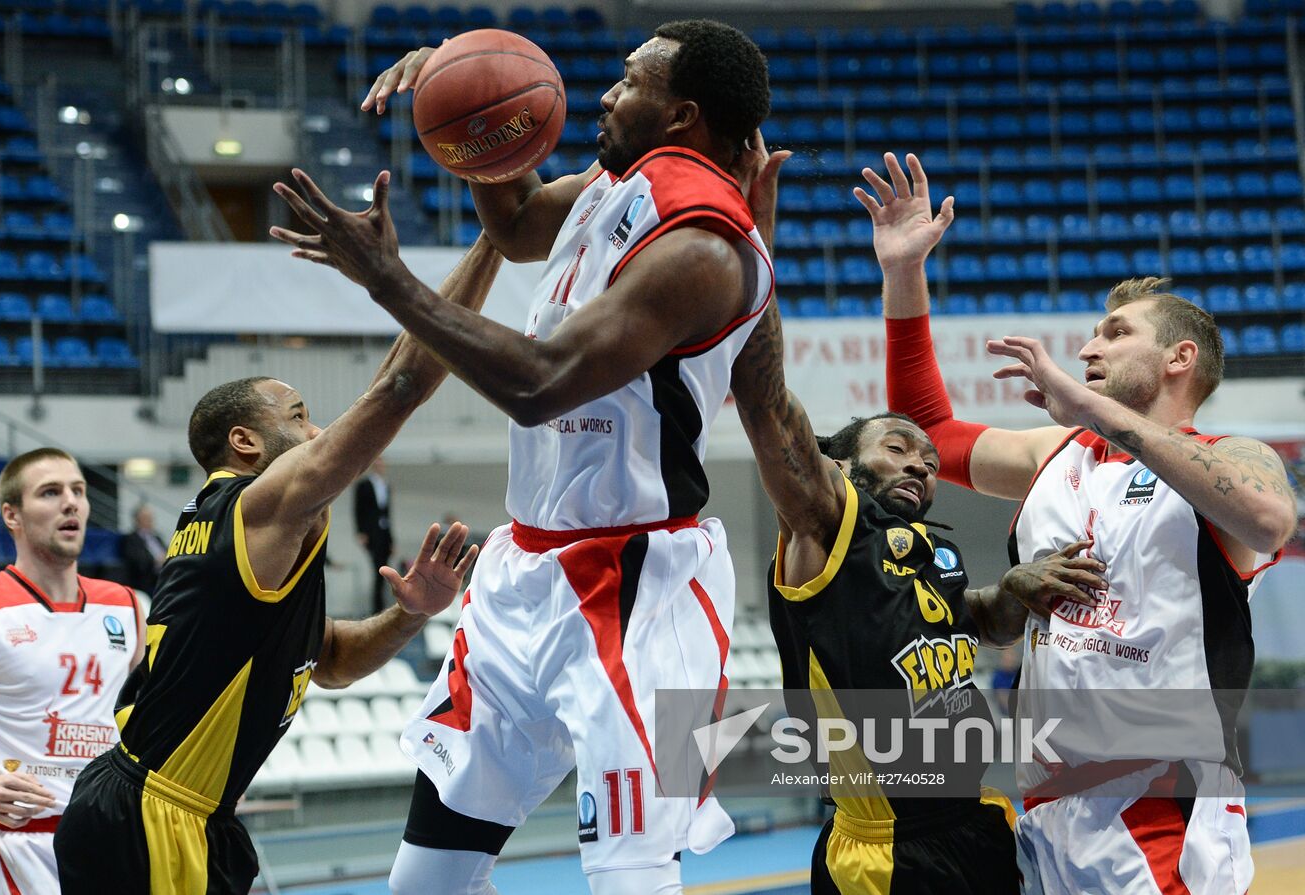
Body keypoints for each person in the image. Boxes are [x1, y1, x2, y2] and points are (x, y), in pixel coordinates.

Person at [273, 20, 773, 895]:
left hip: (640, 587)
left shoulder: (703, 243)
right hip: (525, 569)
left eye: (629, 82)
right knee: (423, 884)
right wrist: (467, 107)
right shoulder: (613, 183)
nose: (607, 94)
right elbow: (512, 223)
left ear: (682, 113)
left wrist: (389, 278)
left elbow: (541, 385)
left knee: (630, 879)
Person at [860, 152, 1295, 894]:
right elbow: (926, 424)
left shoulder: (1232, 458)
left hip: (1161, 805)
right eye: (1092, 332)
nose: (1089, 347)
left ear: (1178, 358)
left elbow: (1266, 517)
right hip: (1047, 805)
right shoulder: (1053, 452)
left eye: (1116, 333)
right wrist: (904, 272)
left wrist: (1097, 410)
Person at [52, 235, 501, 894]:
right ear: (245, 441)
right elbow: (398, 388)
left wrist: (409, 614)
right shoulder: (252, 511)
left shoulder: (253, 545)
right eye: (300, 415)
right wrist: (497, 232)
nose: (319, 433)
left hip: (191, 816)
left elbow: (334, 659)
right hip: (148, 812)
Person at [729, 144, 1104, 895]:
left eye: (930, 461)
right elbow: (768, 402)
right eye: (898, 447)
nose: (921, 465)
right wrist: (750, 251)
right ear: (839, 461)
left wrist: (1012, 591)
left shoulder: (931, 551)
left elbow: (963, 622)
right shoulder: (822, 525)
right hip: (885, 850)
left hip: (975, 821)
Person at [0, 447, 144, 894]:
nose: (70, 503)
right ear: (11, 515)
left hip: (120, 835)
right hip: (29, 844)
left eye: (78, 490)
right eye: (50, 493)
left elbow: (147, 721)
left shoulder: (126, 604)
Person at [354, 457, 395, 613]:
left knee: (383, 569)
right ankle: (377, 608)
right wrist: (361, 531)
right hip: (371, 532)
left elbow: (388, 514)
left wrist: (391, 539)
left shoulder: (386, 485)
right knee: (377, 568)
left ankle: (380, 606)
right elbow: (358, 509)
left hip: (383, 532)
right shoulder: (363, 485)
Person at [120, 503, 165, 595]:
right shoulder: (131, 538)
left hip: (165, 576)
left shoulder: (157, 537)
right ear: (137, 520)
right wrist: (156, 561)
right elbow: (136, 561)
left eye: (151, 518)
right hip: (147, 580)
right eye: (146, 518)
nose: (150, 521)